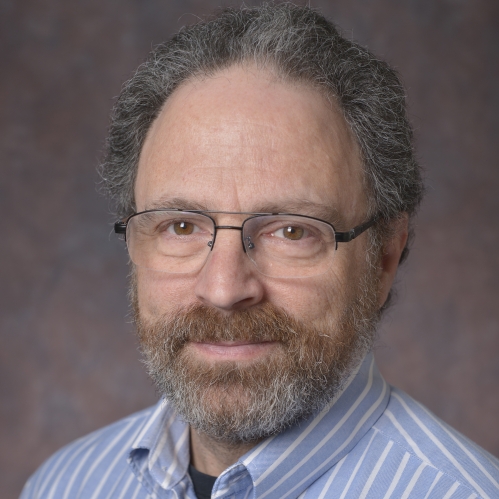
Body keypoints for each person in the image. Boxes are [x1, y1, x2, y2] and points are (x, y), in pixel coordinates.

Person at [20, 4, 499, 498]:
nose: (224, 289)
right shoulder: (64, 484)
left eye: (292, 232)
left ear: (383, 258)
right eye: (180, 225)